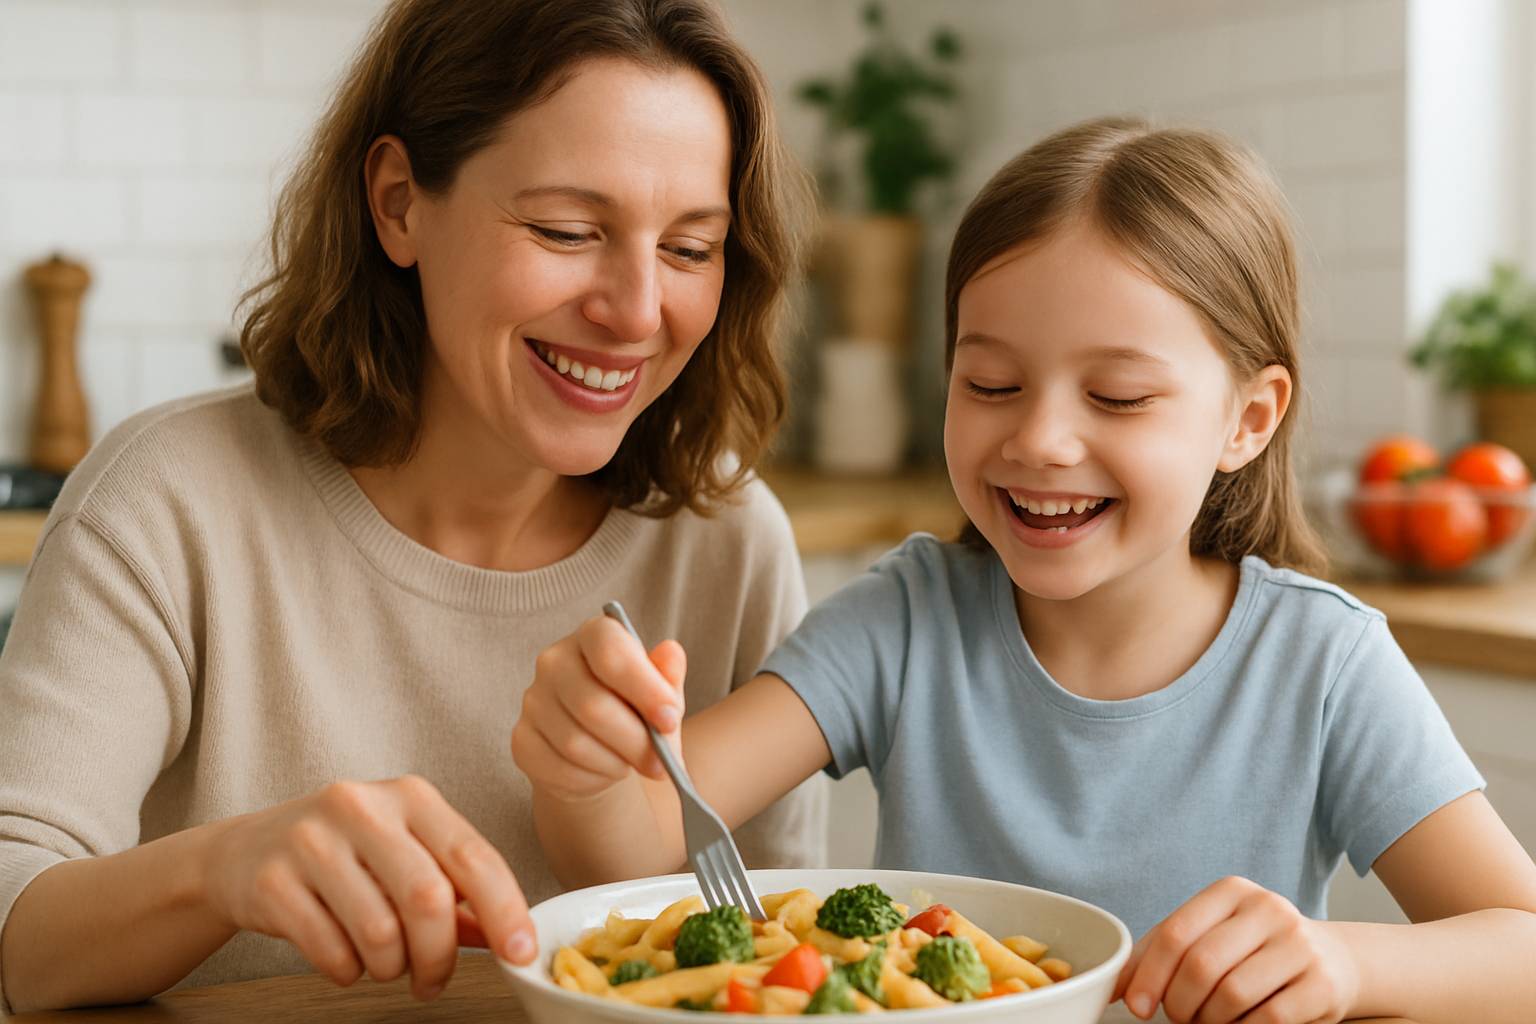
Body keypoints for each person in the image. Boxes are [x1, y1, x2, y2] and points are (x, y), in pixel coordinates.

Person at [516, 117, 1536, 1024]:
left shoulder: (1320, 661)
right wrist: (585, 771)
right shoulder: (908, 620)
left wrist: (1347, 963)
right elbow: (644, 843)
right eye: (991, 381)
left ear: (1248, 419)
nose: (1041, 440)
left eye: (1120, 396)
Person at [0, 0, 830, 1013]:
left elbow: (793, 953)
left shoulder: (730, 543)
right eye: (569, 230)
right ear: (398, 203)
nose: (638, 310)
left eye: (691, 249)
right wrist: (224, 867)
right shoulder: (167, 502)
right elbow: (14, 932)